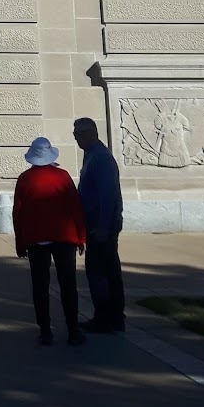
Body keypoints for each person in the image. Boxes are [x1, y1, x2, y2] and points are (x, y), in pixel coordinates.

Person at [12, 135, 87, 347]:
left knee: (40, 286)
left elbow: (18, 214)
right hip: (64, 238)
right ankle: (73, 330)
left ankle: (45, 332)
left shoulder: (25, 179)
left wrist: (20, 242)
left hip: (36, 239)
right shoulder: (63, 177)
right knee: (68, 285)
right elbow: (76, 209)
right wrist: (81, 237)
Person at [73, 117, 125, 333]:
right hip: (96, 223)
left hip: (100, 225)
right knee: (107, 271)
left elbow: (108, 196)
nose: (75, 138)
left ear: (90, 133)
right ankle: (111, 317)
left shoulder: (101, 158)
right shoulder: (93, 155)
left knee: (100, 273)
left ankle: (106, 318)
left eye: (78, 133)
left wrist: (104, 226)